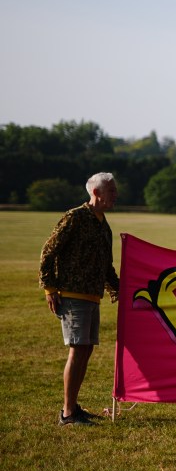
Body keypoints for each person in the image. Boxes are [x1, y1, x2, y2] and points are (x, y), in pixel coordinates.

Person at [39, 172, 120, 426]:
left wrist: (119, 289)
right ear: (96, 192)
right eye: (111, 191)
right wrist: (49, 287)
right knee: (77, 350)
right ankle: (67, 414)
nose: (115, 195)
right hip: (72, 296)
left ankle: (73, 407)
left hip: (92, 296)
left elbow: (107, 267)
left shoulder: (103, 224)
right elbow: (49, 251)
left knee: (85, 350)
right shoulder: (75, 217)